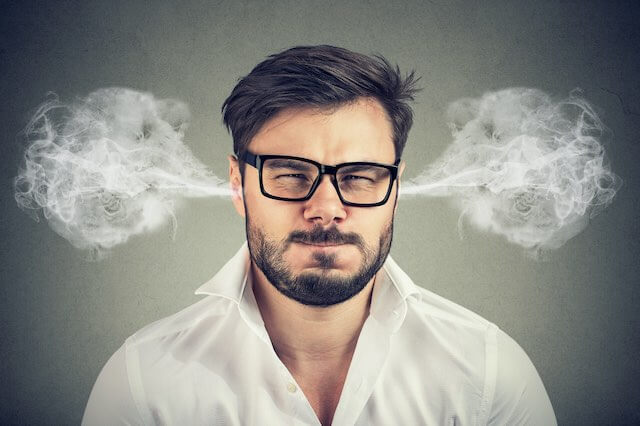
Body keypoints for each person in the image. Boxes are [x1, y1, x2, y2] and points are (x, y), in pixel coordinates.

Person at [82, 45, 557, 425]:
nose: (326, 208)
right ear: (236, 183)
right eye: (289, 174)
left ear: (395, 186)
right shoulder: (142, 387)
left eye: (360, 176)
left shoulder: (490, 377)